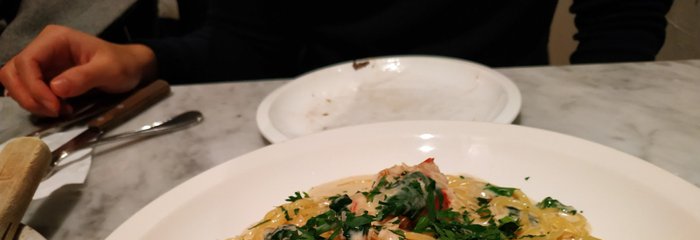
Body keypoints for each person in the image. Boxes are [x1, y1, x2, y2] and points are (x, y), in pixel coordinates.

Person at [0, 0, 674, 118]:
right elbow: (248, 50)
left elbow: (622, 19)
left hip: (517, 109)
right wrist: (143, 59)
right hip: (311, 122)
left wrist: (590, 114)